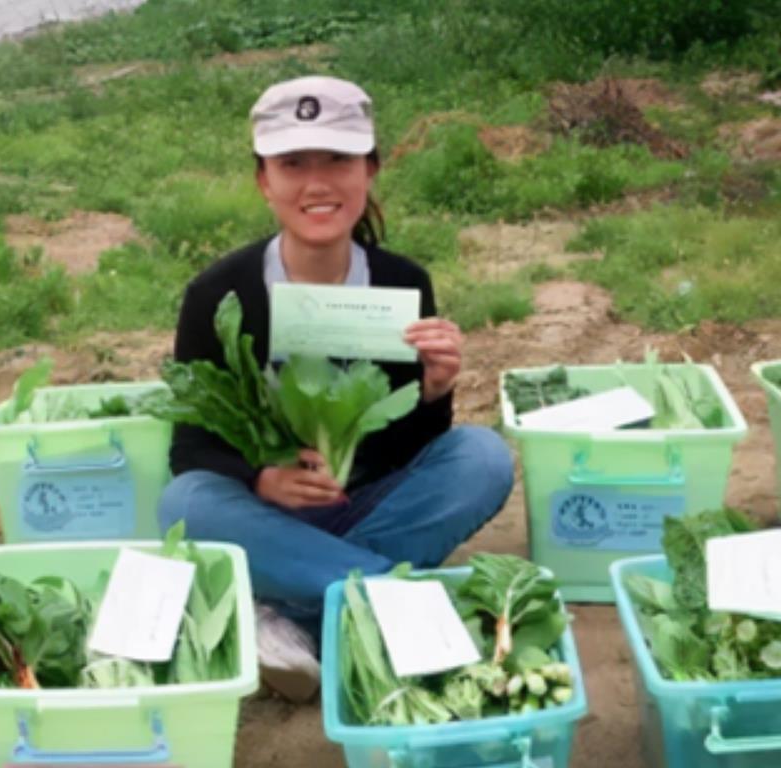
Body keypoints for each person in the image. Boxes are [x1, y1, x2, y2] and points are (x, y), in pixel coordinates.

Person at [157, 75, 514, 702]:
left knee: (482, 458)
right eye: (293, 163)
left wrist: (433, 393)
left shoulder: (402, 282)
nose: (317, 184)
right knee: (185, 503)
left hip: (370, 501)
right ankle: (398, 606)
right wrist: (262, 478)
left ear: (370, 170)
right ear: (263, 180)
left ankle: (294, 611)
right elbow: (191, 448)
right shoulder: (219, 293)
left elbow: (412, 449)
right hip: (271, 514)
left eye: (340, 160)